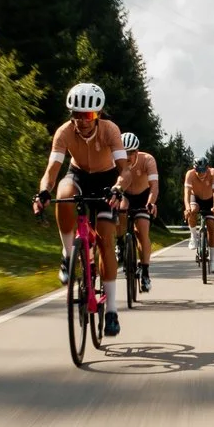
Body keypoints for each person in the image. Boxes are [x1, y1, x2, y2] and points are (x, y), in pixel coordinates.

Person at [32, 81, 125, 337]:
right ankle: (67, 252)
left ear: (98, 115)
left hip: (107, 180)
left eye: (88, 116)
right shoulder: (64, 132)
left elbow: (124, 169)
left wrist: (118, 187)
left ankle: (112, 311)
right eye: (76, 115)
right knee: (63, 193)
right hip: (79, 175)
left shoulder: (110, 130)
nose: (82, 121)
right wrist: (43, 192)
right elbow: (51, 171)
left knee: (106, 241)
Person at [116, 131, 158, 292]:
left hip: (143, 197)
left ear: (137, 152)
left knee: (142, 231)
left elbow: (154, 186)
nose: (128, 156)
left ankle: (145, 272)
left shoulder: (148, 160)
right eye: (124, 152)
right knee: (120, 209)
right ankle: (120, 242)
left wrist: (150, 203)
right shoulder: (115, 160)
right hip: (125, 194)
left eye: (131, 152)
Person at [184, 156, 214, 256]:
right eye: (198, 170)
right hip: (195, 198)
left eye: (203, 170)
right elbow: (187, 193)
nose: (201, 173)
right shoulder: (190, 174)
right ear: (194, 168)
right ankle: (193, 235)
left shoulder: (213, 172)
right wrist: (187, 207)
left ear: (207, 168)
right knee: (192, 210)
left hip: (210, 199)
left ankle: (213, 261)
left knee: (211, 226)